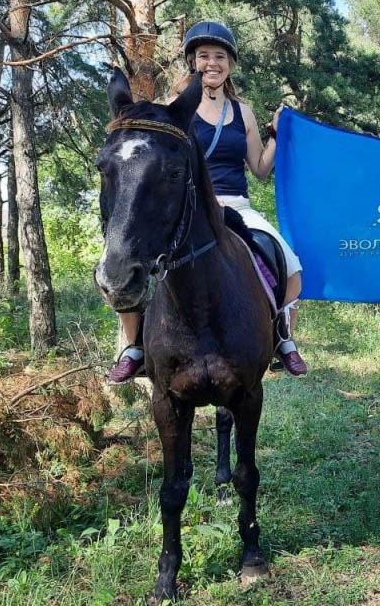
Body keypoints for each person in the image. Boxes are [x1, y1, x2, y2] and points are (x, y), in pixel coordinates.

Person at [108, 20, 308, 383]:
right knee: (130, 256)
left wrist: (278, 135)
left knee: (291, 265)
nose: (211, 63)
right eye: (203, 56)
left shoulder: (242, 112)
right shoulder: (172, 107)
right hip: (188, 207)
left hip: (237, 205)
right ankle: (134, 345)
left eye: (219, 56)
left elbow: (260, 169)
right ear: (192, 61)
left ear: (230, 63)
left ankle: (282, 337)